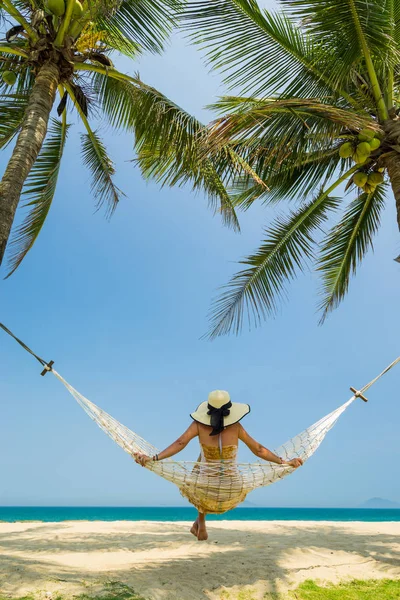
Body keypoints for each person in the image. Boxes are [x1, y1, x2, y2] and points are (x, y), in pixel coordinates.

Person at [134, 390, 303, 541]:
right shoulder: (236, 427)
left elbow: (180, 443)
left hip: (205, 486)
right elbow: (259, 450)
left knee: (202, 465)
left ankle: (200, 523)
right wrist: (285, 462)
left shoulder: (199, 425)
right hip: (231, 487)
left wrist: (154, 458)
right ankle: (198, 525)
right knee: (205, 462)